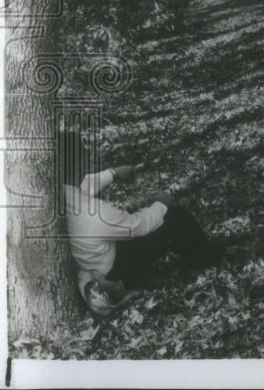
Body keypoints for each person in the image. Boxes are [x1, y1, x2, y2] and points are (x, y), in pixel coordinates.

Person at [58, 131, 220, 313]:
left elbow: (82, 185)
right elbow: (139, 225)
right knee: (174, 218)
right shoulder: (94, 213)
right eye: (84, 160)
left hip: (91, 263)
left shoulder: (55, 194)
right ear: (80, 164)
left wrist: (113, 173)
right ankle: (210, 260)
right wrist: (161, 203)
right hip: (115, 272)